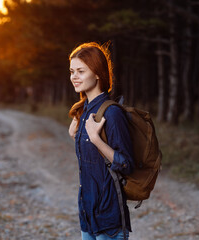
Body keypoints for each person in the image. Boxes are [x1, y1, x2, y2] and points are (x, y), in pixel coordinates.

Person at [68, 42, 135, 240]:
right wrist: (76, 136)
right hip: (87, 214)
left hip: (109, 218)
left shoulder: (112, 113)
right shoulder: (84, 111)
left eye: (80, 71)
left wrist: (96, 139)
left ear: (97, 73)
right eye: (72, 71)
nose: (74, 77)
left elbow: (126, 164)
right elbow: (91, 165)